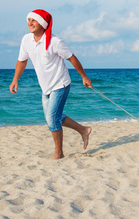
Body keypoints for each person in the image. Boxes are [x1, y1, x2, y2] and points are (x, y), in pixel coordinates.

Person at [9, 9, 93, 159]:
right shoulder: (26, 40)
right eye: (28, 20)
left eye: (33, 20)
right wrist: (15, 79)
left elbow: (72, 58)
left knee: (52, 119)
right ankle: (83, 130)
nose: (30, 23)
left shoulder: (55, 42)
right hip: (45, 87)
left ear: (42, 23)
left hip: (60, 84)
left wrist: (84, 77)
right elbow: (22, 60)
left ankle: (59, 153)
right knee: (54, 117)